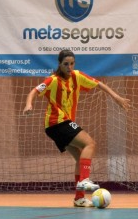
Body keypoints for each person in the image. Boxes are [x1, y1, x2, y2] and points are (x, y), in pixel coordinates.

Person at [23, 50, 130, 207]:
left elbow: (99, 84)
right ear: (59, 64)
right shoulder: (52, 80)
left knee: (80, 159)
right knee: (90, 144)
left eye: (72, 63)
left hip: (58, 125)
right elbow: (34, 90)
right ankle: (85, 181)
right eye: (66, 64)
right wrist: (28, 104)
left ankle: (79, 198)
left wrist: (116, 97)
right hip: (57, 122)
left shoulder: (77, 76)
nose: (69, 67)